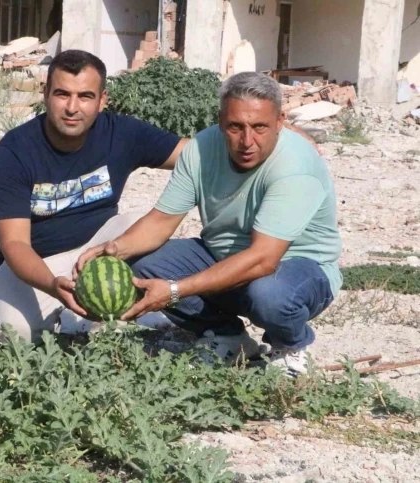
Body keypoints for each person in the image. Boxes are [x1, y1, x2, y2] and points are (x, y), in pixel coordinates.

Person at [75, 71, 342, 377]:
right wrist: (113, 249)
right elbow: (161, 221)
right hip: (225, 256)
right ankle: (229, 337)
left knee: (269, 294)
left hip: (296, 269)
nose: (246, 141)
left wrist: (175, 290)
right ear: (220, 120)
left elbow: (264, 260)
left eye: (259, 127)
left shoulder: (295, 165)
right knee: (142, 264)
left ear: (280, 121)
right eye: (235, 127)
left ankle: (290, 346)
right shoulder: (201, 149)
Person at [0, 49, 189, 344]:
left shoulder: (121, 134)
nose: (72, 107)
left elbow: (196, 157)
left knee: (136, 227)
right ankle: (67, 312)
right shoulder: (14, 153)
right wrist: (53, 285)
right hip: (36, 264)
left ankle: (101, 312)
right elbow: (15, 243)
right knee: (15, 337)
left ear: (102, 100)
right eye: (62, 94)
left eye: (85, 96)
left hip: (99, 249)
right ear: (45, 94)